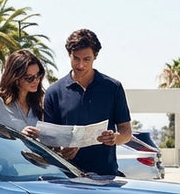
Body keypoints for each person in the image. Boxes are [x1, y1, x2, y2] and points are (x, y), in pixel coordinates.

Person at [42, 28, 132, 176]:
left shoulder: (113, 88)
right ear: (69, 55)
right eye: (76, 58)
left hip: (106, 176)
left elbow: (126, 132)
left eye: (86, 59)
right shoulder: (54, 92)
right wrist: (61, 151)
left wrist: (114, 138)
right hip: (67, 178)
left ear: (95, 57)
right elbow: (49, 142)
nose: (81, 65)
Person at [0, 49, 44, 138]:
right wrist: (17, 138)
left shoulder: (39, 105)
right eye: (29, 78)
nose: (36, 81)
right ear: (15, 78)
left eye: (38, 75)